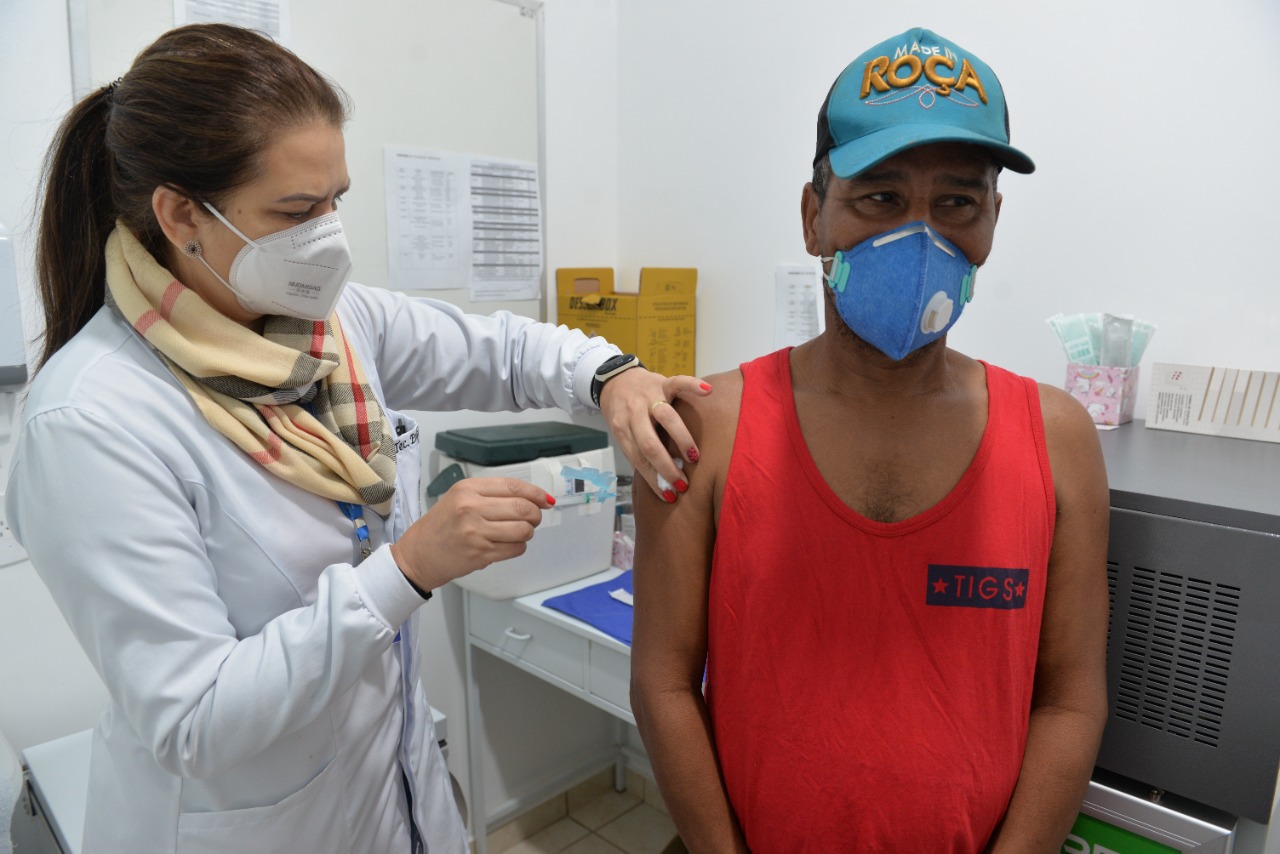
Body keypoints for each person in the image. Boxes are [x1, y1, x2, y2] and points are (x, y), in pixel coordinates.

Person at [4, 23, 708, 853]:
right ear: (180, 215)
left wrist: (610, 375)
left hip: (388, 791)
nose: (327, 236)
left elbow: (502, 351)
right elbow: (195, 719)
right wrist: (407, 568)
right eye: (297, 211)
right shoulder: (92, 420)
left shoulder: (329, 328)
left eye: (335, 200)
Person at [630, 26, 1110, 853]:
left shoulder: (1057, 439)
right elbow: (663, 683)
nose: (919, 237)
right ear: (815, 216)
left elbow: (1070, 699)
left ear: (992, 220)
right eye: (880, 199)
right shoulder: (711, 424)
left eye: (956, 201)